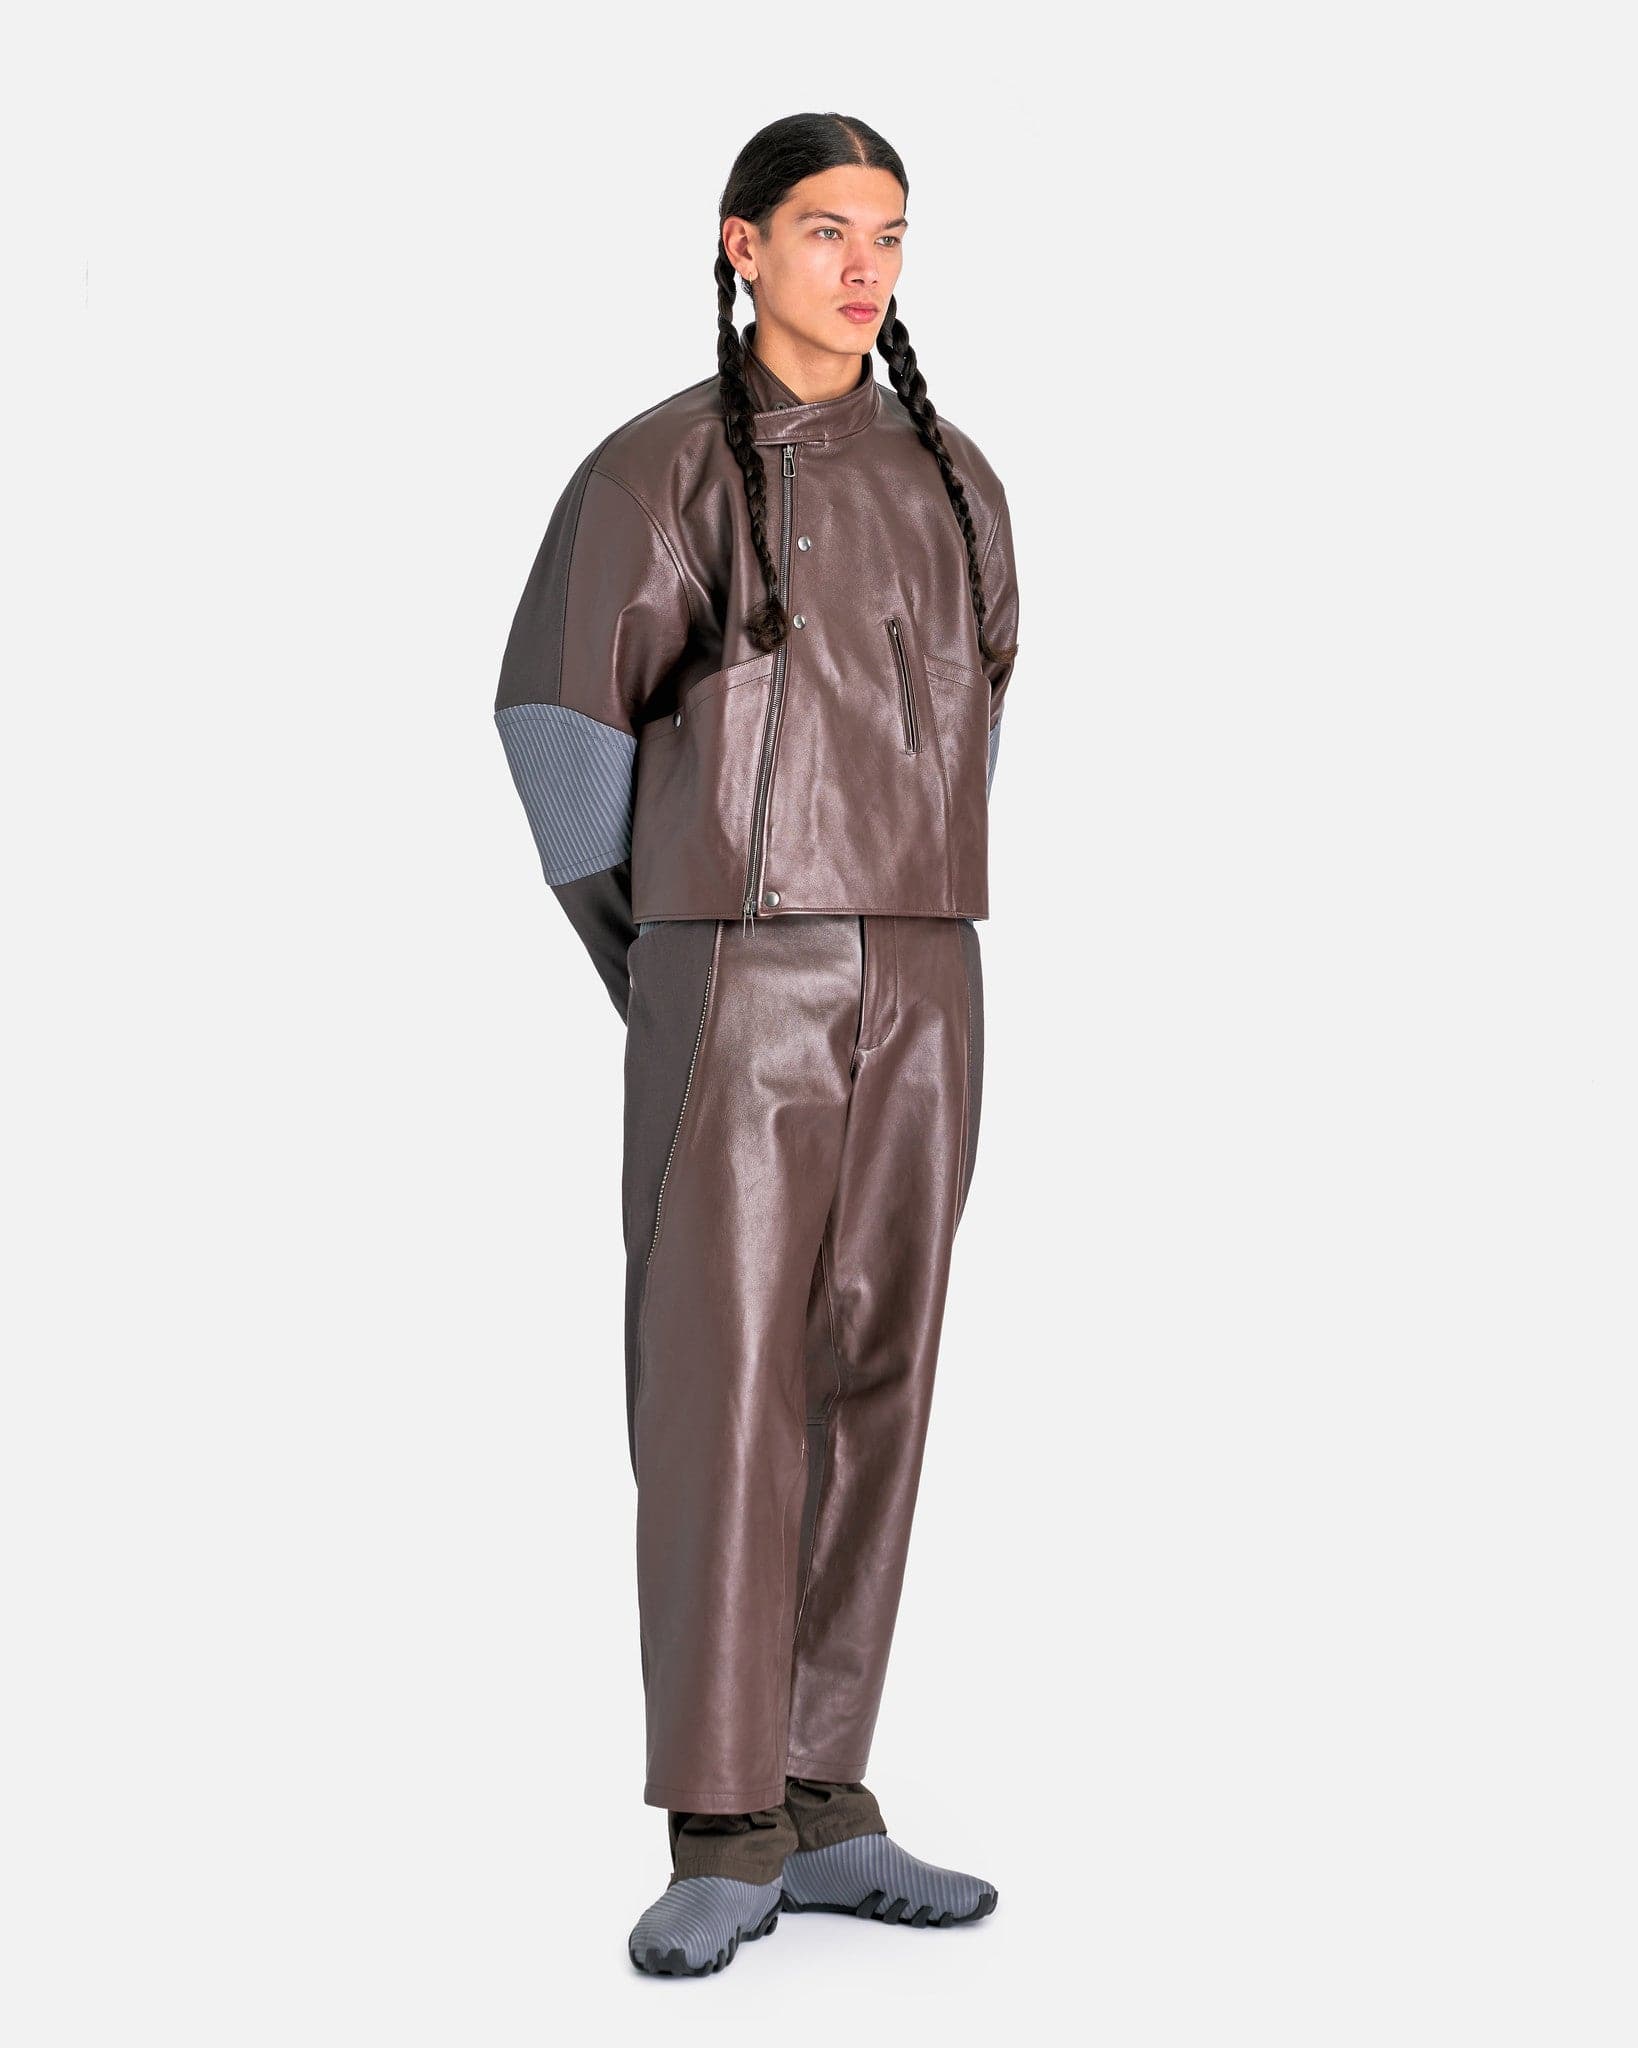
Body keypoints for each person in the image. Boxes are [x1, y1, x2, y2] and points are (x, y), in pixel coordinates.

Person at [493, 111, 1021, 1977]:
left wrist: (904, 901)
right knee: (721, 1378)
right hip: (736, 959)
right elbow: (560, 727)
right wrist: (667, 955)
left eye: (888, 234)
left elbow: (980, 708)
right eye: (822, 231)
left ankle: (822, 1800)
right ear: (741, 246)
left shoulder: (956, 476)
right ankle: (719, 1824)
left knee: (878, 1371)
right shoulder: (655, 472)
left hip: (927, 959)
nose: (861, 267)